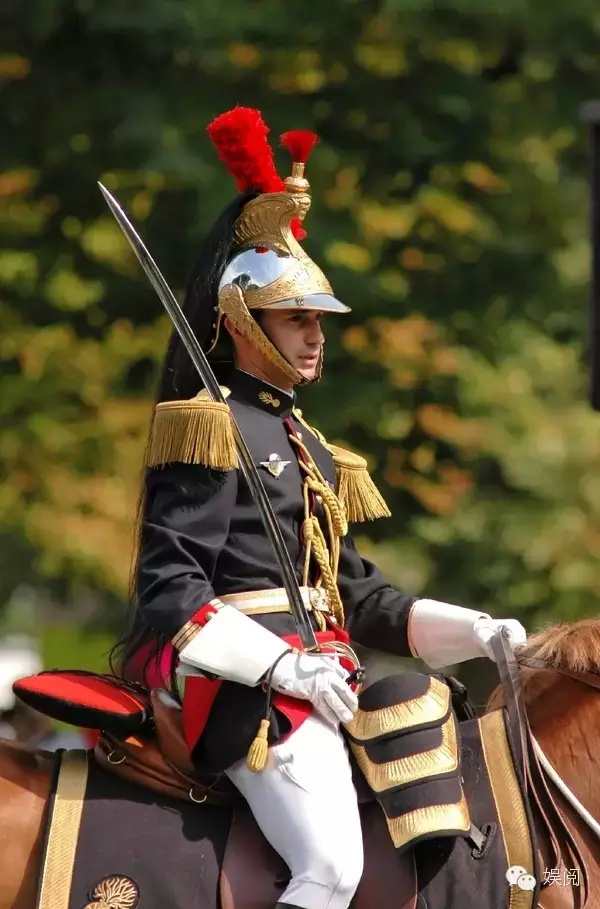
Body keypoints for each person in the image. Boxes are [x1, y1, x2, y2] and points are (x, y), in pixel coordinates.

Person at [112, 106, 527, 909]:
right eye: (297, 320)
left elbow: (358, 595)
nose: (316, 339)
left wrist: (474, 628)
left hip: (327, 680)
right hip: (244, 696)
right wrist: (283, 665)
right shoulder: (209, 424)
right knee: (331, 868)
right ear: (242, 321)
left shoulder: (310, 444)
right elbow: (171, 590)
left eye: (319, 322)